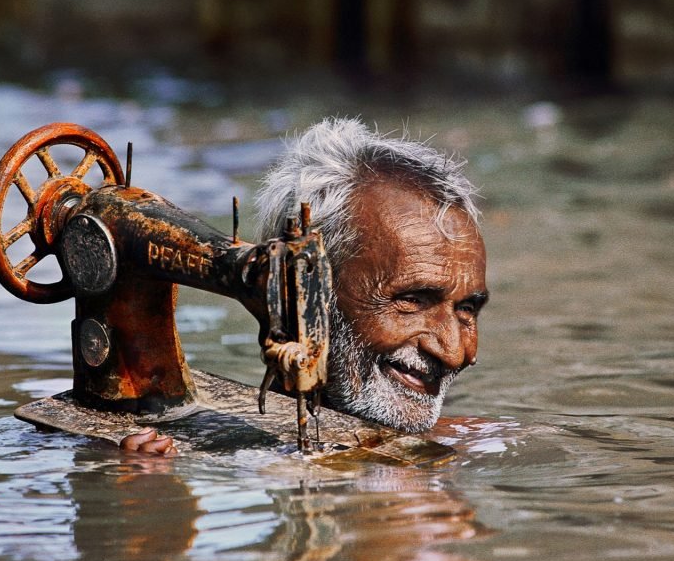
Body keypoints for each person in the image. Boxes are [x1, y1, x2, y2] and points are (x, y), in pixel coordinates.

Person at [123, 117, 488, 455]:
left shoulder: (473, 442)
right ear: (302, 289)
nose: (456, 353)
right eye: (412, 300)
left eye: (467, 309)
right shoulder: (164, 456)